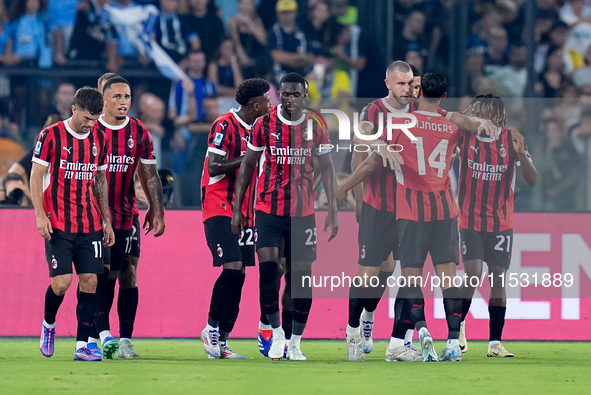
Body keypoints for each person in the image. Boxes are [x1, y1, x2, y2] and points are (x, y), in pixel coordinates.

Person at [336, 61, 496, 363]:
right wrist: (374, 154)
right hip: (380, 205)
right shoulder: (375, 110)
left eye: (412, 84)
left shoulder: (417, 112)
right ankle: (354, 328)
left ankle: (399, 342)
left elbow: (441, 108)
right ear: (387, 84)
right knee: (371, 274)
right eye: (401, 84)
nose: (407, 89)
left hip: (408, 209)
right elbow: (360, 139)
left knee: (400, 275)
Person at [231, 72, 338, 360]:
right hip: (267, 210)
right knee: (268, 271)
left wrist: (333, 210)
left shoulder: (316, 124)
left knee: (299, 278)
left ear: (305, 95)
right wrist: (238, 209)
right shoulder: (264, 124)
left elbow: (327, 169)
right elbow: (247, 167)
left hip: (303, 214)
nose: (289, 99)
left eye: (295, 94)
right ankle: (276, 335)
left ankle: (296, 341)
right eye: (284, 93)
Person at [31, 86, 115, 361]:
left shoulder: (100, 138)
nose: (90, 124)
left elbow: (100, 179)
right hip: (58, 223)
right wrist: (40, 215)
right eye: (86, 119)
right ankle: (48, 324)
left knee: (91, 280)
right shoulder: (51, 135)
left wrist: (106, 219)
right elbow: (36, 175)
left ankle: (82, 345)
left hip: (89, 222)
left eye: (95, 119)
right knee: (62, 283)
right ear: (74, 109)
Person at [456, 94, 537, 358]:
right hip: (469, 218)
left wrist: (521, 155)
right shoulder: (464, 135)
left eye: (484, 112)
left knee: (499, 277)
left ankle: (495, 343)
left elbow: (532, 179)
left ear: (498, 115)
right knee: (473, 273)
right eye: (475, 111)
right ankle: (457, 325)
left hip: (501, 221)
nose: (478, 115)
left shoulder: (513, 138)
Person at [91, 75, 166, 359]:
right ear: (104, 99)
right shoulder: (92, 129)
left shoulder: (139, 132)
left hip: (126, 213)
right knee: (101, 275)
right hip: (95, 215)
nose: (124, 102)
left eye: (128, 97)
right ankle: (98, 332)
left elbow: (150, 174)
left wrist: (156, 209)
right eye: (118, 97)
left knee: (129, 273)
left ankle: (124, 340)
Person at [200, 78, 271, 359]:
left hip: (247, 211)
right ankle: (210, 328)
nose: (271, 103)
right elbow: (214, 165)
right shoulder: (224, 124)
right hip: (219, 206)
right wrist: (248, 158)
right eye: (267, 99)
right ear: (256, 105)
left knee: (240, 275)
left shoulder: (264, 130)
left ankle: (223, 339)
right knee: (232, 267)